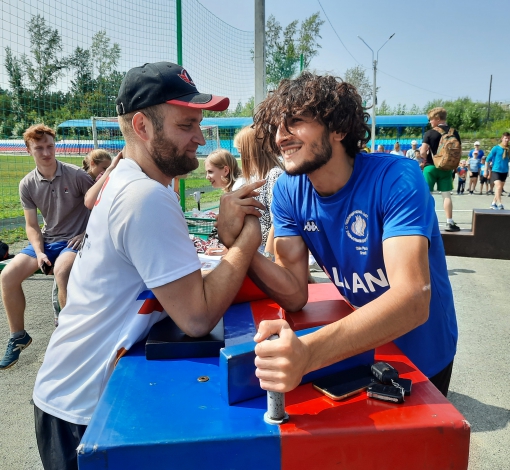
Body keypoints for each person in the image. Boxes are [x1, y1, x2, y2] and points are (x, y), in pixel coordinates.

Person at [32, 62, 264, 470]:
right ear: (141, 126)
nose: (199, 139)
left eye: (200, 125)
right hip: (80, 411)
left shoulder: (129, 177)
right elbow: (197, 315)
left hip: (73, 397)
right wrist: (244, 241)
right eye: (186, 125)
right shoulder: (145, 197)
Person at [218, 72, 458, 400]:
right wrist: (239, 242)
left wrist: (308, 353)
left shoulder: (397, 178)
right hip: (361, 347)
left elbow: (413, 300)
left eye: (296, 121)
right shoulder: (288, 189)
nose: (281, 136)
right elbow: (293, 292)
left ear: (339, 129)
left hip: (425, 351)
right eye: (277, 125)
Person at [0, 124, 93, 370]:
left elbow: (101, 208)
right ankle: (18, 336)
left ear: (55, 146)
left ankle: (69, 338)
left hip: (75, 239)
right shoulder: (27, 184)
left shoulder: (77, 175)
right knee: (7, 275)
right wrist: (39, 252)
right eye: (39, 148)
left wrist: (86, 232)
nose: (46, 152)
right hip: (48, 240)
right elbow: (31, 226)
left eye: (50, 146)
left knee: (62, 271)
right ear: (28, 150)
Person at [233, 126, 284, 255]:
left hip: (270, 252)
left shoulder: (274, 175)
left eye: (240, 152)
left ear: (250, 152)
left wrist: (268, 256)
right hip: (257, 250)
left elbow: (277, 221)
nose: (240, 158)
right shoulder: (255, 178)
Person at [420, 107, 461, 232]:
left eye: (431, 120)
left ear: (437, 119)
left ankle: (426, 221)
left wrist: (426, 156)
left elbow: (422, 152)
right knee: (446, 195)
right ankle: (449, 222)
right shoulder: (454, 132)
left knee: (427, 195)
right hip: (446, 168)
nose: (430, 122)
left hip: (431, 168)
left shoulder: (430, 133)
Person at [486, 132, 510, 210]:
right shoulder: (496, 148)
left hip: (505, 171)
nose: (507, 140)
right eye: (505, 138)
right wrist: (486, 170)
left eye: (508, 138)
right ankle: (500, 203)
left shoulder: (509, 149)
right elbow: (487, 159)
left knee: (499, 189)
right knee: (499, 187)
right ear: (502, 138)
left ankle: (493, 203)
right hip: (496, 170)